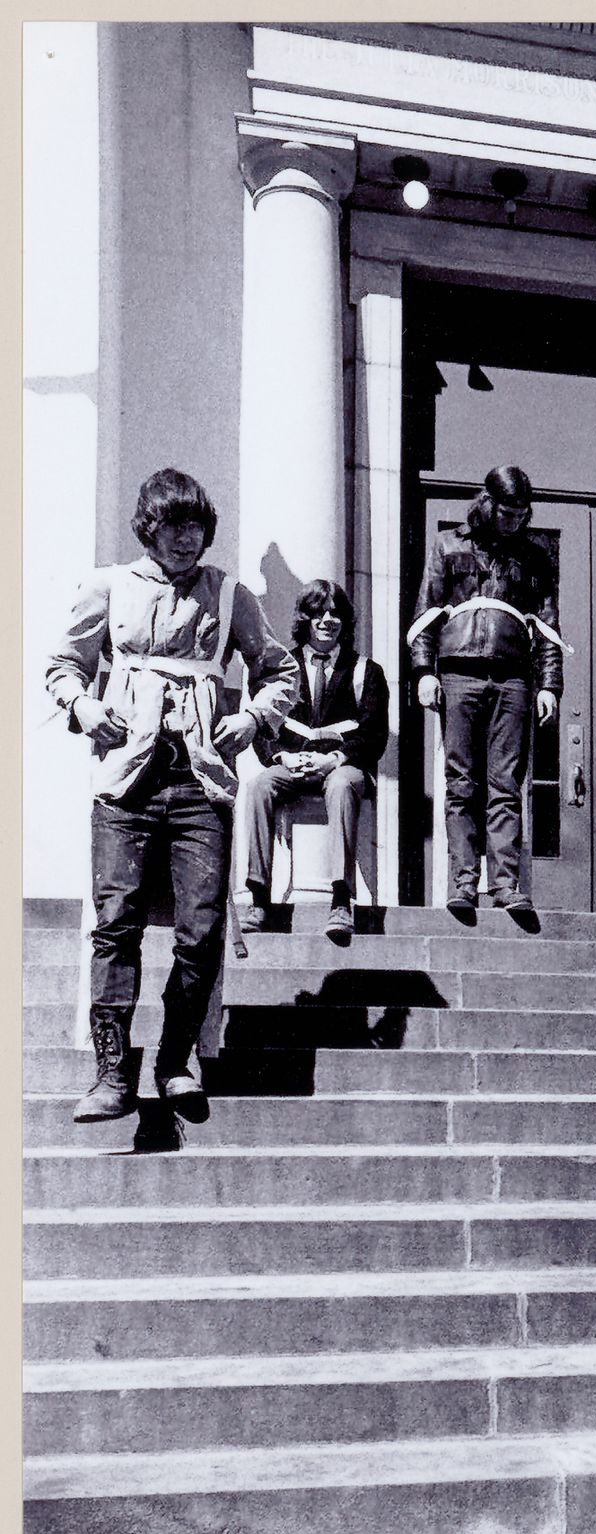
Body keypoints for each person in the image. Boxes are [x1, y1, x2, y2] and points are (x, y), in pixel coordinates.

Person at [46, 468, 298, 1121]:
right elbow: (63, 665)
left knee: (202, 928)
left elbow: (279, 669)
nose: (186, 540)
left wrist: (253, 718)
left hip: (201, 781)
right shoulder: (108, 586)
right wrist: (81, 705)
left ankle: (175, 1061)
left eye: (196, 527)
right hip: (125, 780)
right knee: (115, 924)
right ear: (148, 526)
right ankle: (110, 1075)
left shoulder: (230, 594)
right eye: (172, 526)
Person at [408, 465, 563, 924]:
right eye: (506, 511)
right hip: (458, 675)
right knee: (461, 783)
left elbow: (549, 627)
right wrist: (423, 671)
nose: (513, 521)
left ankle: (505, 885)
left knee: (505, 784)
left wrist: (549, 684)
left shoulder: (536, 558)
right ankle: (463, 883)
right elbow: (426, 613)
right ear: (487, 503)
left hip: (513, 678)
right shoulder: (448, 545)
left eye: (521, 513)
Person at [242, 580, 390, 944]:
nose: (327, 620)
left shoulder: (367, 671)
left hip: (343, 767)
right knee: (259, 785)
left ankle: (340, 901)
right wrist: (283, 757)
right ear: (304, 618)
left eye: (335, 613)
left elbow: (374, 735)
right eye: (318, 612)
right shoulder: (280, 668)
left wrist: (335, 759)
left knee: (340, 785)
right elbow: (263, 727)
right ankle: (258, 898)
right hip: (292, 763)